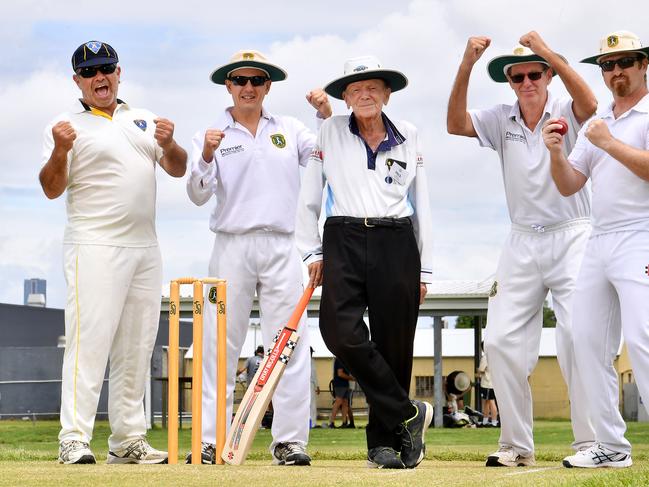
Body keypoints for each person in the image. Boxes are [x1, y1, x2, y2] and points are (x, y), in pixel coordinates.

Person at [446, 31, 598, 467]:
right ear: (510, 82)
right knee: (499, 341)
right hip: (521, 239)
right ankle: (516, 446)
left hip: (573, 233)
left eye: (535, 74)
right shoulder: (500, 118)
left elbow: (589, 103)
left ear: (548, 75)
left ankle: (591, 443)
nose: (527, 82)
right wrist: (467, 64)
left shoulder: (568, 108)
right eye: (518, 77)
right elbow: (455, 123)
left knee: (576, 338)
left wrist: (547, 50)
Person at [39, 40, 187, 464]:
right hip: (95, 246)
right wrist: (60, 150)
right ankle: (73, 437)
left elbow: (176, 168)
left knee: (137, 346)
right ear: (77, 81)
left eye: (106, 69)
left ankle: (127, 440)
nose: (99, 78)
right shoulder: (64, 125)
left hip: (145, 246)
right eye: (89, 73)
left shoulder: (143, 118)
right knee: (89, 343)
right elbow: (51, 189)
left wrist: (172, 142)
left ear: (119, 72)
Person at [186, 49, 332, 466]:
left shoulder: (288, 128)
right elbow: (196, 194)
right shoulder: (211, 133)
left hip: (283, 244)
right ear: (228, 86)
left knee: (288, 342)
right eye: (240, 80)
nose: (248, 88)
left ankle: (289, 441)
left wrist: (325, 114)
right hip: (231, 243)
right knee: (218, 345)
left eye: (257, 81)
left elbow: (325, 156)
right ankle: (211, 438)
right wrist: (208, 156)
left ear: (268, 86)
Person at [296, 55, 433, 470]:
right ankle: (408, 412)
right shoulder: (330, 129)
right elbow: (309, 197)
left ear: (387, 93)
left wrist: (424, 268)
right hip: (344, 236)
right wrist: (313, 251)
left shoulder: (408, 133)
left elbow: (421, 202)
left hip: (397, 240)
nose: (365, 94)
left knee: (395, 345)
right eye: (356, 89)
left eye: (373, 87)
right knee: (338, 331)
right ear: (346, 97)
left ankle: (385, 444)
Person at [544, 30, 649, 469]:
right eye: (607, 65)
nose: (615, 71)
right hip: (599, 237)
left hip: (641, 234)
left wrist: (608, 143)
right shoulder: (597, 121)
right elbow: (571, 185)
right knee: (582, 340)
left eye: (624, 62)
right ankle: (611, 446)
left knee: (644, 342)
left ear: (644, 64)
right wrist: (554, 153)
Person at [328, 357, 355, 428]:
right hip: (339, 384)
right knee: (338, 402)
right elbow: (340, 373)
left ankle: (344, 423)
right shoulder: (340, 359)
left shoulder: (344, 359)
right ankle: (331, 423)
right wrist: (351, 378)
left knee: (345, 403)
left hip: (345, 384)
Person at [477, 344, 498, 427]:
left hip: (487, 383)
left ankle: (494, 422)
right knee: (486, 402)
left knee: (491, 402)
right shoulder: (495, 357)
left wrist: (478, 371)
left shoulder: (485, 357)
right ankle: (485, 421)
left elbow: (481, 370)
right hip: (493, 383)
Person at [309, 347, 321, 428]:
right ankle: (312, 423)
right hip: (310, 384)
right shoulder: (311, 361)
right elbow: (313, 374)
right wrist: (317, 386)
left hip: (301, 385)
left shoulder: (300, 360)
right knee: (312, 405)